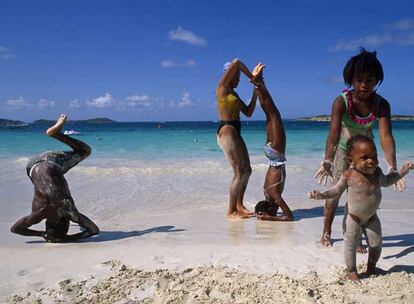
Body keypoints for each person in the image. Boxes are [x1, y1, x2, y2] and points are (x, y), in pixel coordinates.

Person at [314, 48, 404, 247]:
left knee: (362, 193)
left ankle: (354, 235)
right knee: (336, 191)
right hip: (344, 149)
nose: (364, 84)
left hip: (366, 151)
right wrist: (327, 159)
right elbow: (334, 134)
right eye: (359, 79)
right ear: (351, 80)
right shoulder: (341, 102)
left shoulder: (382, 105)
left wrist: (392, 166)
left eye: (370, 80)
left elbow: (386, 136)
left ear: (377, 81)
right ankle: (326, 231)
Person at [309, 135, 413, 282]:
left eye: (374, 156)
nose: (371, 161)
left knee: (376, 244)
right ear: (351, 161)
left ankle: (371, 267)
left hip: (372, 217)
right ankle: (352, 271)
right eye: (364, 158)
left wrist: (403, 171)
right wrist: (320, 195)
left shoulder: (377, 173)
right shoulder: (348, 175)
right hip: (354, 217)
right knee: (351, 246)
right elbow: (335, 191)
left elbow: (388, 181)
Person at [10, 114, 99, 242]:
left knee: (85, 151)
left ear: (65, 222)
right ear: (47, 223)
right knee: (45, 182)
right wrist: (41, 234)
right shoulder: (38, 215)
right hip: (31, 167)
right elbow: (15, 229)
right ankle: (55, 135)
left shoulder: (68, 212)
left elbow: (94, 230)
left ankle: (55, 134)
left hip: (51, 160)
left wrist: (69, 239)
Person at [216, 59, 263, 218]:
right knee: (238, 172)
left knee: (247, 170)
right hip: (227, 130)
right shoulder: (222, 88)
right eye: (235, 76)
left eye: (239, 78)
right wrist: (252, 76)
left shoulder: (234, 94)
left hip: (236, 131)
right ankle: (231, 211)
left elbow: (249, 112)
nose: (237, 80)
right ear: (227, 75)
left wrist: (254, 93)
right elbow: (236, 62)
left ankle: (239, 204)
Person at [252, 64, 294, 221]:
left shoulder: (274, 196)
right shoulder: (265, 191)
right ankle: (258, 84)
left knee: (273, 114)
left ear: (272, 207)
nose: (279, 208)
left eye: (275, 210)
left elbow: (289, 217)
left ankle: (259, 82)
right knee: (269, 114)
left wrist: (270, 218)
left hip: (276, 154)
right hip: (270, 154)